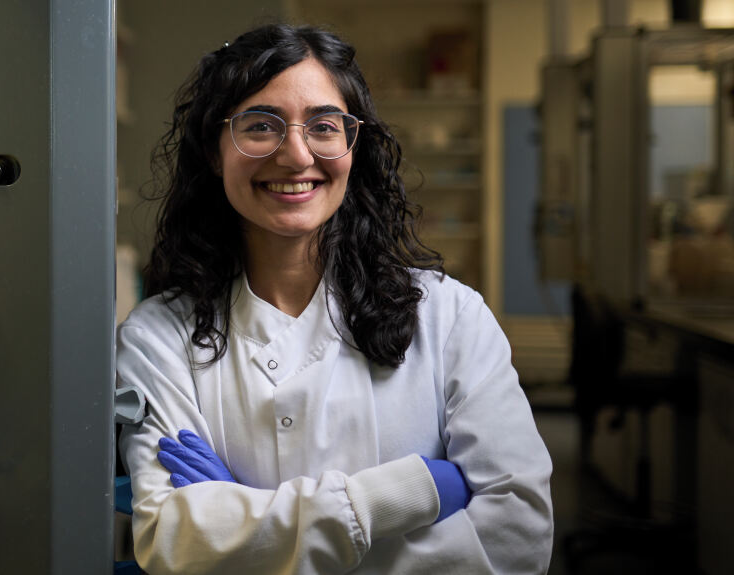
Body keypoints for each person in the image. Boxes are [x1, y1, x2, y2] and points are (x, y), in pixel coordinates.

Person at [117, 24, 554, 574]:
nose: (296, 155)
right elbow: (169, 540)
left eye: (323, 126)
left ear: (354, 143)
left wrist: (243, 526)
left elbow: (519, 540)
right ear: (213, 149)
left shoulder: (450, 318)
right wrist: (400, 497)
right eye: (259, 126)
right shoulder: (160, 337)